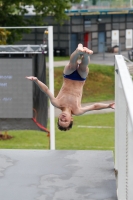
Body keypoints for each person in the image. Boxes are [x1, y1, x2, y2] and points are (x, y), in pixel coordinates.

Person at [26, 44, 115, 131]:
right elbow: (94, 106)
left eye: (61, 120)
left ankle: (78, 50)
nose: (63, 118)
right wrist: (108, 105)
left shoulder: (57, 103)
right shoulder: (77, 110)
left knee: (72, 65)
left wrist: (36, 80)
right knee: (83, 68)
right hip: (80, 79)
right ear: (71, 119)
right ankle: (86, 54)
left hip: (68, 76)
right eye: (66, 121)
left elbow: (46, 90)